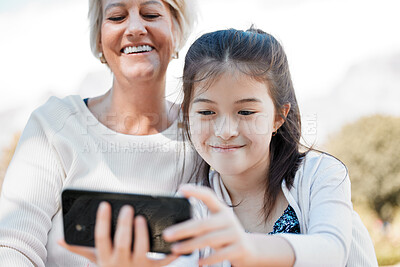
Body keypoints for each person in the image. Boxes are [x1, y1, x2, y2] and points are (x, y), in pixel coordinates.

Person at [0, 0, 200, 266]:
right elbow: (12, 247)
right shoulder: (54, 125)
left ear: (177, 29)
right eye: (117, 17)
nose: (135, 28)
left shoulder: (205, 135)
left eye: (151, 14)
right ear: (98, 38)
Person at [161, 27, 378, 266]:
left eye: (246, 112)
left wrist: (249, 247)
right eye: (206, 112)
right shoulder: (193, 204)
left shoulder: (320, 175)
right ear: (187, 116)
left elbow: (331, 251)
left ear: (278, 116)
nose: (225, 131)